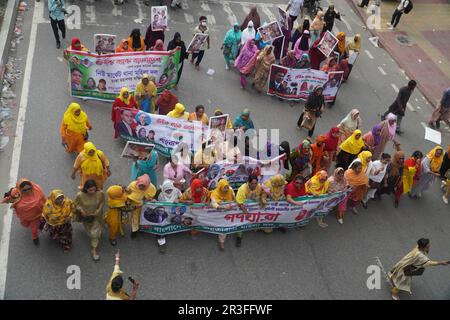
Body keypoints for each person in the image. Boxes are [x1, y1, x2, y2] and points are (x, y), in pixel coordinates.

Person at [6, 179, 46, 245]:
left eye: (29, 188)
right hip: (28, 217)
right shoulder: (16, 195)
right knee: (32, 227)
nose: (28, 191)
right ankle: (35, 236)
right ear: (20, 189)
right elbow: (9, 199)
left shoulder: (37, 190)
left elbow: (43, 199)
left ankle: (35, 237)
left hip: (39, 214)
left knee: (36, 227)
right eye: (24, 190)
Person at [74, 180, 105, 261]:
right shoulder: (80, 195)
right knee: (89, 232)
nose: (93, 191)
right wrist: (81, 210)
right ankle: (96, 236)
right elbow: (75, 204)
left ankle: (94, 250)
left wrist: (97, 211)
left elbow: (102, 202)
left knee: (94, 234)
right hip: (86, 217)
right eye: (90, 190)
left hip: (96, 216)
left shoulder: (100, 193)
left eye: (94, 189)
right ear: (86, 189)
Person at [235, 175, 267, 247]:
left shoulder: (259, 186)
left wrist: (262, 199)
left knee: (256, 217)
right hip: (244, 207)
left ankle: (255, 228)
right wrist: (246, 212)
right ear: (248, 183)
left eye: (256, 183)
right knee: (241, 221)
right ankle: (239, 236)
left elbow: (263, 193)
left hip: (254, 206)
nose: (254, 185)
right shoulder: (242, 189)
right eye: (253, 183)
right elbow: (240, 203)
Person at [156, 180, 182, 252]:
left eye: (170, 189)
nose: (169, 191)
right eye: (167, 190)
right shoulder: (159, 193)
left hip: (174, 212)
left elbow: (182, 198)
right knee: (161, 225)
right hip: (164, 213)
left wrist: (179, 200)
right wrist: (154, 201)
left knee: (179, 221)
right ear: (164, 189)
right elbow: (154, 201)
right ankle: (161, 242)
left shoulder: (177, 191)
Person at [127, 174, 157, 238]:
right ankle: (134, 230)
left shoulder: (151, 188)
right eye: (140, 185)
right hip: (135, 205)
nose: (141, 188)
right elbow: (128, 192)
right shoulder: (132, 185)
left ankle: (142, 228)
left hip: (144, 206)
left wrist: (151, 200)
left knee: (143, 216)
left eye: (143, 186)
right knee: (135, 217)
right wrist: (128, 201)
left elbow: (150, 197)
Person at [210, 179, 236, 250]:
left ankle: (221, 241)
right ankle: (221, 240)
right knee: (219, 225)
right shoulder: (214, 193)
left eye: (227, 187)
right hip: (218, 212)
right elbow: (214, 204)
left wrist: (233, 204)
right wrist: (224, 207)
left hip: (228, 211)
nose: (226, 189)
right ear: (220, 186)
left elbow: (234, 198)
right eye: (224, 187)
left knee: (224, 225)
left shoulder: (230, 190)